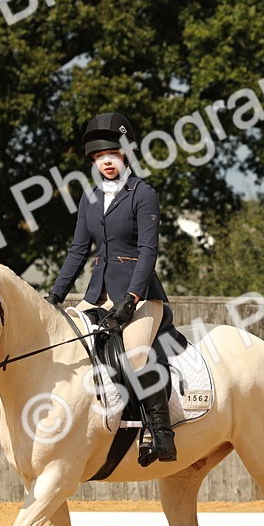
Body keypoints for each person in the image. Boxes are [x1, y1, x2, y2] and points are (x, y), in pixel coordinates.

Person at [44, 112, 176, 466]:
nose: (106, 162)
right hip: (96, 295)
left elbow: (148, 252)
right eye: (99, 157)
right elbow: (77, 251)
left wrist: (132, 299)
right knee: (67, 346)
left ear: (125, 154)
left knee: (134, 354)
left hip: (142, 296)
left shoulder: (143, 193)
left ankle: (161, 433)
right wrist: (55, 296)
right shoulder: (88, 199)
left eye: (113, 155)